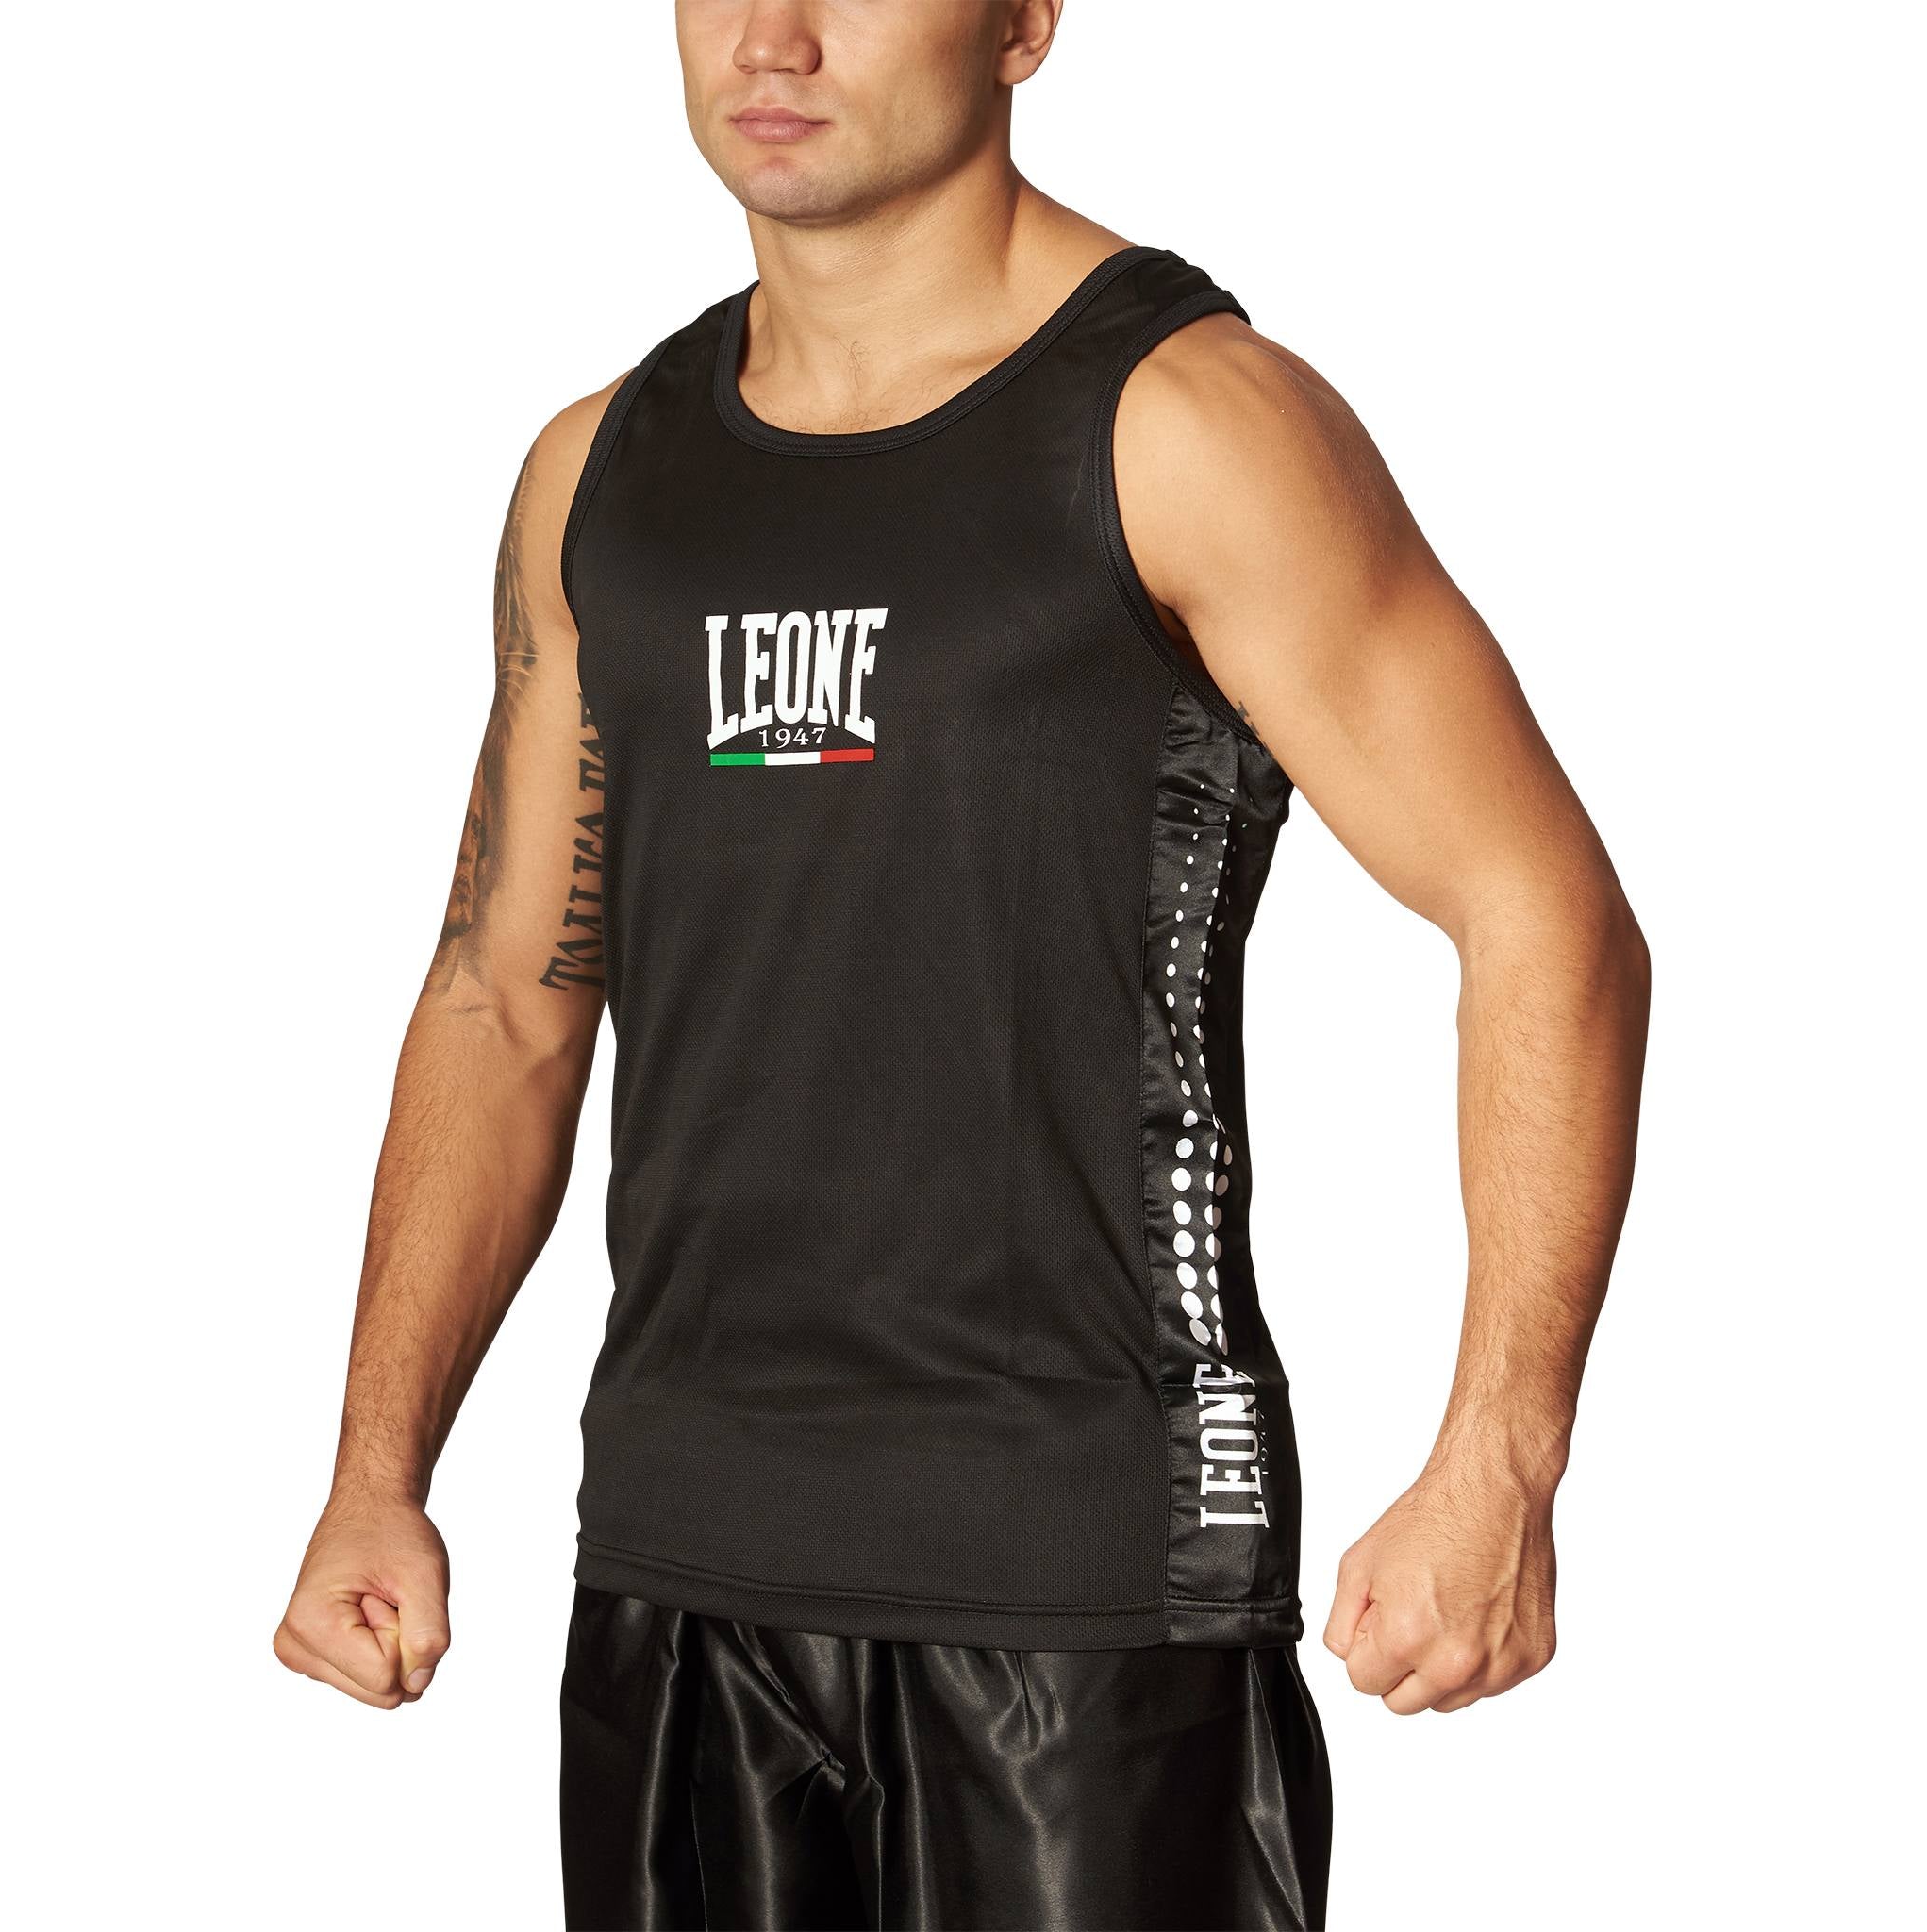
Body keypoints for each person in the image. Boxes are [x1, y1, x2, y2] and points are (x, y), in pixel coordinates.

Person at [274, 4, 1651, 1926]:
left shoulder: (1185, 423)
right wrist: (377, 1465)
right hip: (679, 1573)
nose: (773, 37)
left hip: (1082, 1595)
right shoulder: (601, 474)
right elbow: (504, 999)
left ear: (1022, 21)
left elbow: (1543, 910)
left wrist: (1500, 1462)